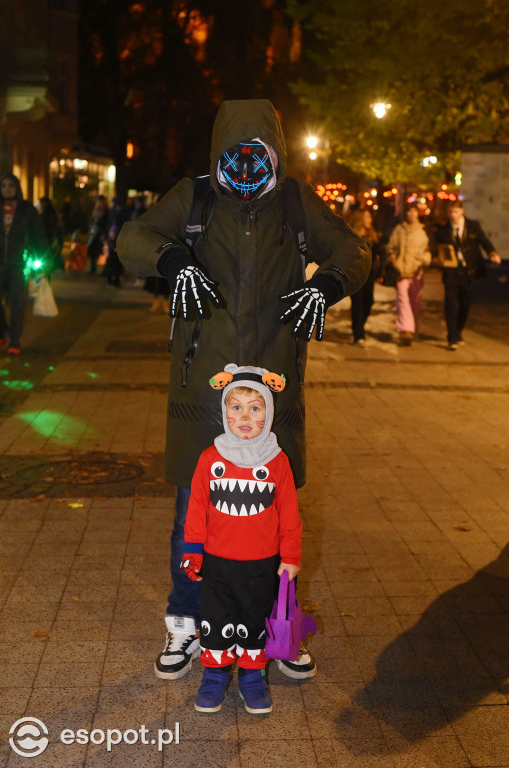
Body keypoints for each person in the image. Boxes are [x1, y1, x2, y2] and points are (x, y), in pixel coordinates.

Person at [116, 98, 371, 683]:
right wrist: (173, 257)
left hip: (272, 387)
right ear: (219, 153)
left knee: (276, 512)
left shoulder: (295, 202)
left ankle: (277, 623)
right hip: (206, 388)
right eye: (237, 154)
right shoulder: (197, 196)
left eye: (260, 154)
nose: (249, 165)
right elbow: (135, 237)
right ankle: (186, 620)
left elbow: (354, 249)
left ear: (276, 153)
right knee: (195, 513)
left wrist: (327, 284)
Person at [181, 364, 302, 714]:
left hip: (263, 564)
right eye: (236, 407)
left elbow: (290, 514)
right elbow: (197, 508)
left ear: (269, 411)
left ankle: (252, 677)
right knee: (216, 621)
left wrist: (290, 556)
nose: (245, 416)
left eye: (255, 407)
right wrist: (193, 551)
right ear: (224, 412)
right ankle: (215, 676)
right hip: (217, 562)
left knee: (254, 621)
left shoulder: (278, 461)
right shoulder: (209, 458)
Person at [435, 200, 501, 350]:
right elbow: (436, 248)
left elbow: (484, 241)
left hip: (469, 272)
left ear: (462, 212)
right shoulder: (443, 230)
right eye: (451, 212)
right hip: (451, 272)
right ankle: (452, 337)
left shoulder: (473, 226)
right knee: (451, 304)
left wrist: (492, 252)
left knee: (465, 304)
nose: (453, 215)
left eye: (456, 212)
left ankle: (458, 331)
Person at [0, 173, 47, 354]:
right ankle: (1, 331)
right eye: (3, 186)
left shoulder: (26, 209)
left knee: (18, 303)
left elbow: (38, 235)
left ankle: (15, 340)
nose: (7, 189)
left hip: (18, 264)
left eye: (10, 185)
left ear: (17, 188)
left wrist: (42, 258)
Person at [386, 203, 431, 346]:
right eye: (409, 211)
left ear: (418, 213)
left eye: (414, 211)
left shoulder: (424, 231)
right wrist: (393, 259)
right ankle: (405, 330)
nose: (411, 214)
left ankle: (411, 330)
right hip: (401, 270)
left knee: (414, 303)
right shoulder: (399, 230)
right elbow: (390, 247)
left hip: (417, 271)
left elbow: (430, 249)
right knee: (402, 301)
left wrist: (425, 259)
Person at [349, 209, 383, 346]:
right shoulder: (353, 236)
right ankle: (359, 334)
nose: (370, 220)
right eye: (367, 217)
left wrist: (380, 273)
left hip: (370, 274)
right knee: (358, 303)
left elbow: (379, 255)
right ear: (360, 220)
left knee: (369, 302)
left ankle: (359, 326)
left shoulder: (373, 235)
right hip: (356, 274)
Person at [86, 195, 109, 274]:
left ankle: (104, 269)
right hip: (94, 233)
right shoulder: (96, 210)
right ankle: (93, 267)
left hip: (100, 233)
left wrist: (104, 234)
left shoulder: (105, 211)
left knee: (101, 251)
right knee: (92, 250)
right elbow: (93, 221)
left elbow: (105, 223)